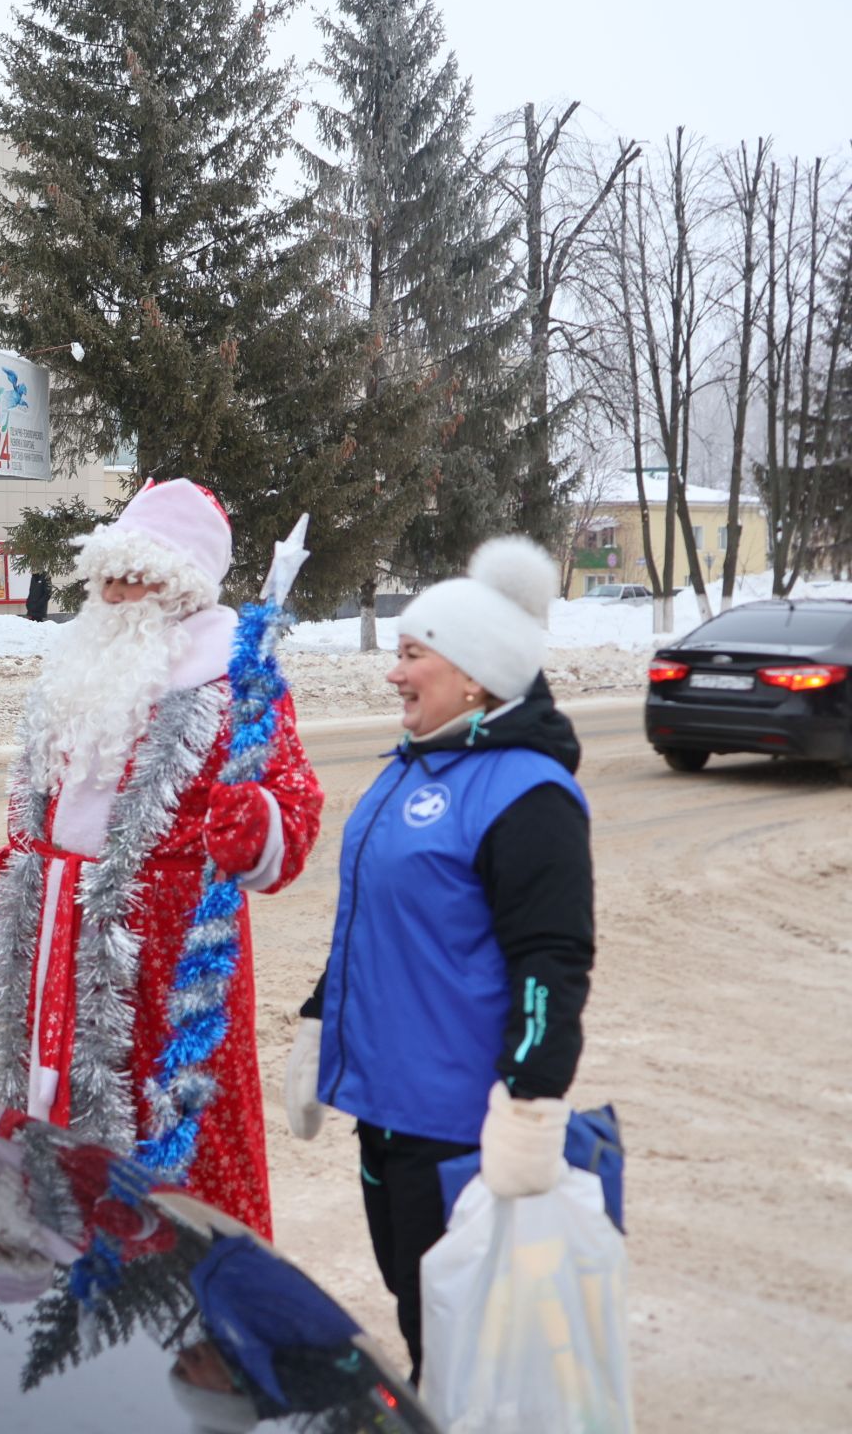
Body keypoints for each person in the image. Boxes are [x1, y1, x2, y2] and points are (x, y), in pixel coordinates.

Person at [0, 478, 322, 1239]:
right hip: (48, 945)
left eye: (139, 576)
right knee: (41, 1129)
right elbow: (31, 825)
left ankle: (184, 1299)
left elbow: (291, 811)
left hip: (162, 957)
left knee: (169, 1135)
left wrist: (254, 825)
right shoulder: (75, 669)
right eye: (110, 576)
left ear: (182, 586)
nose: (119, 593)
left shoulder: (235, 680)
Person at [282, 536, 594, 1385]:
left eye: (413, 654)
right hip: (384, 1111)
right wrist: (319, 1027)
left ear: (476, 676)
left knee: (470, 1343)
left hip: (461, 1127)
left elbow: (552, 963)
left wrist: (531, 1105)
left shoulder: (528, 794)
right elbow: (375, 926)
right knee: (423, 1315)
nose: (394, 674)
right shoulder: (413, 767)